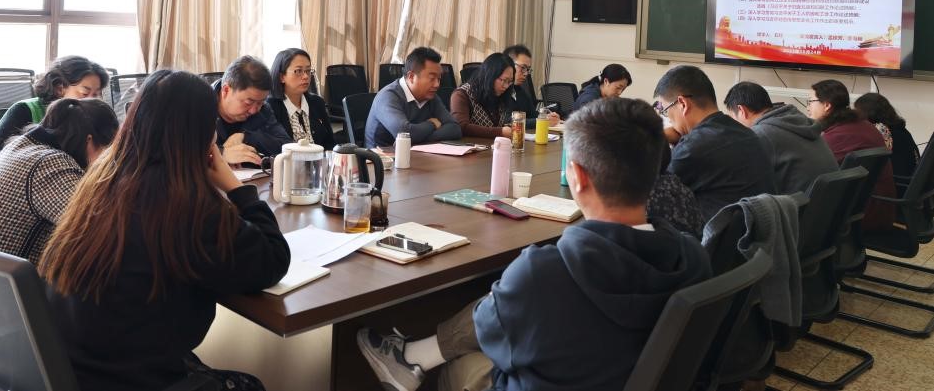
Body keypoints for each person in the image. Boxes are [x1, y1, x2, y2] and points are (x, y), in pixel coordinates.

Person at [356, 98, 712, 391]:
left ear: (577, 176)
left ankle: (411, 360)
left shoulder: (544, 272)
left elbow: (491, 334)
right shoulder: (694, 258)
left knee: (460, 367)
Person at [39, 70, 290, 391]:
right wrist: (235, 187)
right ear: (204, 137)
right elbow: (272, 260)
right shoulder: (186, 206)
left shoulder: (101, 181)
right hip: (129, 379)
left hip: (71, 371)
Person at [0, 98, 118, 265]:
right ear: (89, 142)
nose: (109, 162)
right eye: (109, 152)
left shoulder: (23, 146)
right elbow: (97, 230)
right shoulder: (49, 165)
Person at [654, 65, 775, 222]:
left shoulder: (694, 147)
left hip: (714, 235)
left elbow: (651, 192)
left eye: (665, 110)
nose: (668, 118)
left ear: (683, 103)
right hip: (753, 231)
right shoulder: (746, 133)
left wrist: (657, 137)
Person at [0, 55, 109, 178]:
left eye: (96, 95)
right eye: (85, 94)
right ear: (59, 88)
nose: (92, 100)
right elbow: (4, 161)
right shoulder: (24, 111)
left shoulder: (88, 119)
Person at [808, 79, 895, 231]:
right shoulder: (862, 125)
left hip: (860, 215)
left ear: (827, 105)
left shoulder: (838, 135)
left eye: (810, 101)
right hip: (877, 208)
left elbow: (812, 172)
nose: (808, 107)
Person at [724, 81, 838, 194]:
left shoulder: (760, 135)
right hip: (826, 201)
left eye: (733, 118)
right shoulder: (800, 121)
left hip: (798, 204)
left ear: (742, 110)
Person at [366, 47, 462, 148]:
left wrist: (416, 139)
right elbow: (404, 133)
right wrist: (432, 124)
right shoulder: (388, 96)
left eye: (439, 79)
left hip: (416, 153)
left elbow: (455, 129)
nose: (437, 84)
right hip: (383, 156)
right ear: (411, 77)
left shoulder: (431, 97)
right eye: (432, 78)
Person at [215, 55, 292, 164]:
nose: (254, 110)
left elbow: (288, 147)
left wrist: (247, 137)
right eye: (248, 102)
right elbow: (189, 152)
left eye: (260, 102)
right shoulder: (198, 106)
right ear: (226, 90)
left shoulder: (263, 110)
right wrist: (221, 154)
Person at [266, 48, 335, 149]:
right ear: (282, 77)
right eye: (298, 71)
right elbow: (272, 149)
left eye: (308, 70)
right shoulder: (270, 107)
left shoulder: (317, 102)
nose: (306, 76)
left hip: (320, 158)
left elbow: (330, 144)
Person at [854, 92, 921, 180]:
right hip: (909, 183)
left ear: (866, 114)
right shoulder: (901, 131)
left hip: (895, 183)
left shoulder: (881, 132)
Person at [450, 53, 516, 139]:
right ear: (490, 75)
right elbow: (461, 126)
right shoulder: (461, 94)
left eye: (510, 81)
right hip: (470, 146)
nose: (506, 86)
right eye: (504, 80)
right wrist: (500, 132)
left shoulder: (502, 94)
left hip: (494, 145)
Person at [502, 44, 560, 127]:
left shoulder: (519, 90)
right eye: (523, 68)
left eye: (528, 69)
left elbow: (532, 114)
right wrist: (542, 121)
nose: (526, 73)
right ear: (508, 65)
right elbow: (507, 121)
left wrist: (547, 117)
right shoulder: (500, 90)